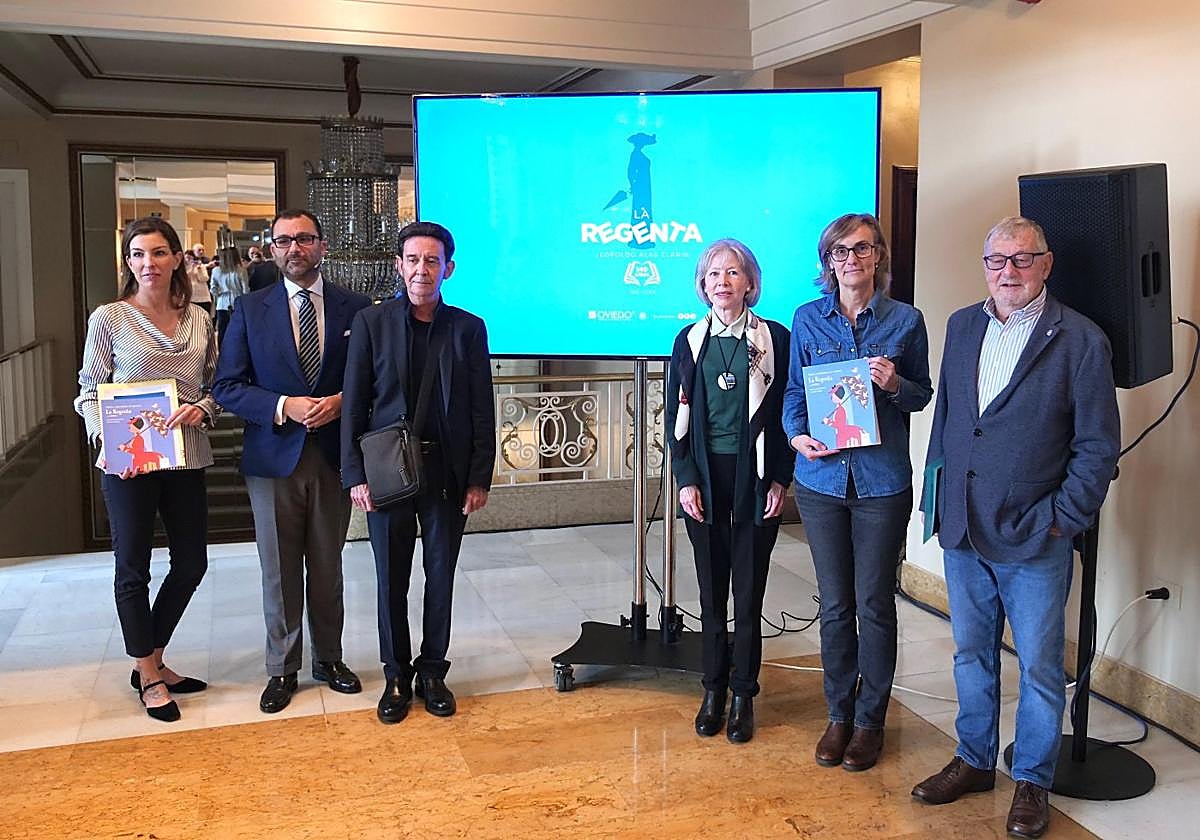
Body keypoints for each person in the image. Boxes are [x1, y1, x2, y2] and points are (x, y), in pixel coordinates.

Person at [912, 216, 1120, 839]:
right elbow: (950, 420)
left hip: (1035, 536)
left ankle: (1032, 779)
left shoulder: (1080, 340)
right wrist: (938, 503)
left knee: (1037, 667)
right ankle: (975, 759)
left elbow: (1097, 447)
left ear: (1046, 264)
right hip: (963, 530)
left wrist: (1064, 519)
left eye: (1022, 260)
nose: (1008, 272)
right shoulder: (962, 325)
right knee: (971, 654)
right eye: (996, 261)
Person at [782, 213, 932, 771]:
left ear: (879, 258)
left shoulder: (906, 321)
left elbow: (921, 396)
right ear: (828, 261)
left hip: (880, 483)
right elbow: (796, 393)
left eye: (863, 249)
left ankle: (871, 721)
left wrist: (894, 384)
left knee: (874, 603)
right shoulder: (807, 319)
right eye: (841, 251)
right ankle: (837, 714)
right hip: (821, 481)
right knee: (836, 605)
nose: (852, 259)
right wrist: (796, 435)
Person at [212, 209, 372, 714]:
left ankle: (329, 659)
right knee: (278, 570)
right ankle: (282, 668)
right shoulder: (249, 309)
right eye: (284, 241)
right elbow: (228, 387)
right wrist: (285, 406)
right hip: (272, 457)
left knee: (328, 565)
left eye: (304, 239)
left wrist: (343, 401)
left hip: (333, 456)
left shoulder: (357, 308)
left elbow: (376, 378)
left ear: (322, 246)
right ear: (273, 249)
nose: (294, 248)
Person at [342, 221, 496, 724]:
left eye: (432, 261)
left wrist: (479, 476)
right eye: (413, 260)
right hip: (386, 472)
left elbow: (480, 407)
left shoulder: (468, 327)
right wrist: (353, 475)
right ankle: (395, 674)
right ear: (399, 266)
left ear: (447, 268)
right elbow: (356, 403)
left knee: (440, 576)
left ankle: (433, 671)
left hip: (446, 474)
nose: (422, 270)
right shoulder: (372, 323)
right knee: (390, 577)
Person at [74, 216, 219, 722]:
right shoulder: (108, 319)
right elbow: (89, 393)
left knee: (191, 563)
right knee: (132, 568)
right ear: (128, 262)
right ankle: (149, 672)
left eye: (158, 252)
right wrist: (111, 444)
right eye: (137, 254)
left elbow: (215, 386)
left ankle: (150, 658)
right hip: (129, 464)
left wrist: (203, 408)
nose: (147, 263)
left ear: (177, 257)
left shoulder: (201, 319)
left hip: (185, 456)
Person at [665, 238, 793, 744]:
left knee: (749, 590)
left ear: (750, 283)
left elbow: (787, 413)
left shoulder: (774, 339)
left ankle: (744, 693)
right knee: (711, 590)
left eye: (733, 272)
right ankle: (713, 689)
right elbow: (676, 416)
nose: (723, 281)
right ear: (703, 284)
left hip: (756, 476)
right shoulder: (688, 340)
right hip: (706, 477)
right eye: (714, 273)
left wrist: (780, 478)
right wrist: (686, 478)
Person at [209, 246, 248, 345]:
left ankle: (222, 354)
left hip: (222, 304)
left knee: (222, 331)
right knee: (238, 331)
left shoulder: (216, 271)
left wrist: (221, 291)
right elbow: (245, 290)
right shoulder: (241, 270)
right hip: (238, 303)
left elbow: (213, 289)